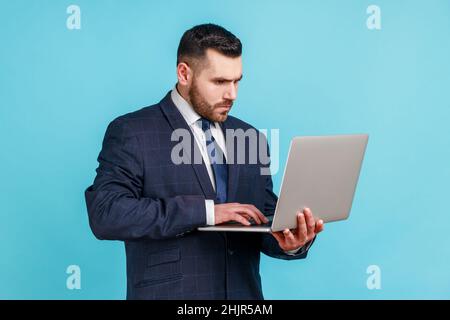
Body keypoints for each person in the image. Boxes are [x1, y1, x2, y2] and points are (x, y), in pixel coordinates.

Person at [85, 23, 324, 300]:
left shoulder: (250, 137)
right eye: (220, 82)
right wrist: (207, 212)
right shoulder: (133, 131)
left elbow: (261, 219)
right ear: (184, 73)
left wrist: (291, 242)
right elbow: (106, 213)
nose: (232, 94)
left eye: (237, 81)